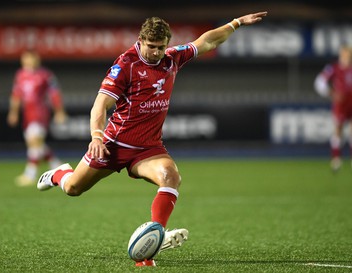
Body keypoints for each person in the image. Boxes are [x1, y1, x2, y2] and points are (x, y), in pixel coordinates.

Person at [37, 12, 268, 266]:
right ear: (140, 41)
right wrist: (97, 136)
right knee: (73, 188)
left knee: (171, 177)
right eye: (151, 47)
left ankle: (152, 243)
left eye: (161, 47)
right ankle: (58, 174)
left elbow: (208, 42)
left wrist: (235, 24)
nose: (157, 52)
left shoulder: (172, 59)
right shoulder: (125, 65)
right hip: (113, 144)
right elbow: (100, 105)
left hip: (148, 147)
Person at [7, 50, 67, 186]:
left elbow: (55, 94)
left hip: (40, 112)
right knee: (36, 144)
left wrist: (59, 112)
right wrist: (13, 112)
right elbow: (16, 95)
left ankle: (30, 174)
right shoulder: (20, 75)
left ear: (36, 60)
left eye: (30, 58)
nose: (27, 61)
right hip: (27, 113)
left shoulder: (45, 75)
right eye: (25, 59)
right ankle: (57, 165)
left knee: (34, 141)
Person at [314, 45, 352, 172]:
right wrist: (331, 93)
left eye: (348, 53)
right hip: (341, 104)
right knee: (338, 129)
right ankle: (336, 159)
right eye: (345, 53)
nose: (347, 56)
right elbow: (319, 82)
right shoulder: (334, 68)